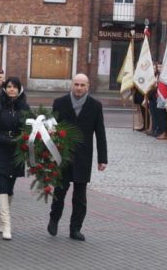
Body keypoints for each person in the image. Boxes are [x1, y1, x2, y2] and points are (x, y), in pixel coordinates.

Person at [47, 73, 107, 242]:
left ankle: (75, 228)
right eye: (76, 84)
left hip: (83, 156)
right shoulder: (60, 103)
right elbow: (51, 129)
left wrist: (102, 158)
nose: (79, 88)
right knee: (60, 190)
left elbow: (100, 133)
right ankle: (54, 218)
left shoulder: (95, 105)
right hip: (63, 154)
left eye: (82, 85)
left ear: (88, 86)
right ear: (72, 85)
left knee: (80, 196)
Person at [0, 77, 30, 240]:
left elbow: (29, 127)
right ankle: (7, 224)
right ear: (4, 88)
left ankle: (1, 219)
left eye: (15, 87)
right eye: (9, 86)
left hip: (17, 151)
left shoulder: (24, 106)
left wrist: (22, 139)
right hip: (0, 150)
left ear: (19, 89)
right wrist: (5, 140)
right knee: (2, 184)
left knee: (10, 187)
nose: (12, 89)